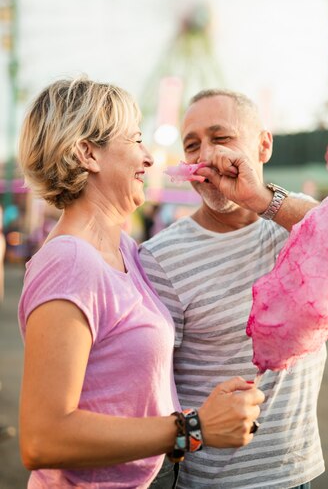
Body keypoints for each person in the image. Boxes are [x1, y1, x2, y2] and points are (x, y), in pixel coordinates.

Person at [17, 79, 264, 489]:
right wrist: (192, 427)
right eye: (134, 139)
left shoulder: (127, 251)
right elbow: (43, 438)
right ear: (86, 153)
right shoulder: (69, 262)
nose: (149, 157)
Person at [140, 88, 328, 489]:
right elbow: (154, 386)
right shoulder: (160, 257)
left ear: (263, 146)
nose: (205, 156)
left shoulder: (294, 217)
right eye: (192, 145)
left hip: (296, 472)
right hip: (207, 481)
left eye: (221, 139)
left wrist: (261, 200)